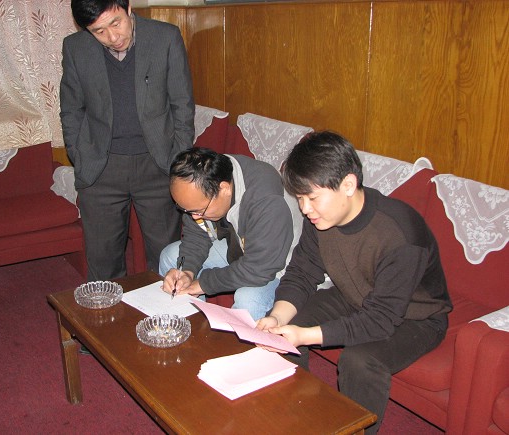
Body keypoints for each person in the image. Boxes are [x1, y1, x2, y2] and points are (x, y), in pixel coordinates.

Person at [257, 131, 452, 434]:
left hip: (416, 317)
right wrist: (277, 318)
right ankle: (300, 414)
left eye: (312, 198)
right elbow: (302, 272)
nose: (305, 209)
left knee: (359, 360)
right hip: (356, 294)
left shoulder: (400, 233)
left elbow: (381, 319)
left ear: (348, 185)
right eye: (300, 199)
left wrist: (304, 336)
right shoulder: (320, 218)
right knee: (284, 328)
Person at [60, 0, 195, 281]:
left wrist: (177, 161)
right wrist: (79, 155)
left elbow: (182, 105)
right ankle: (109, 311)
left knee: (166, 259)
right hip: (100, 168)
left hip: (158, 165)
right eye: (99, 31)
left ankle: (162, 310)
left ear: (128, 7)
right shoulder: (75, 48)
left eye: (116, 23)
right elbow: (71, 109)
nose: (113, 37)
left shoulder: (165, 37)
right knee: (103, 264)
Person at [159, 147, 302, 320]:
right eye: (186, 210)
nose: (194, 217)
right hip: (241, 248)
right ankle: (189, 325)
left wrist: (202, 284)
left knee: (248, 299)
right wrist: (187, 272)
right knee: (170, 256)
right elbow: (198, 233)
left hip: (286, 266)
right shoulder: (210, 176)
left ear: (224, 189)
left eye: (198, 210)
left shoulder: (265, 201)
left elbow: (258, 269)